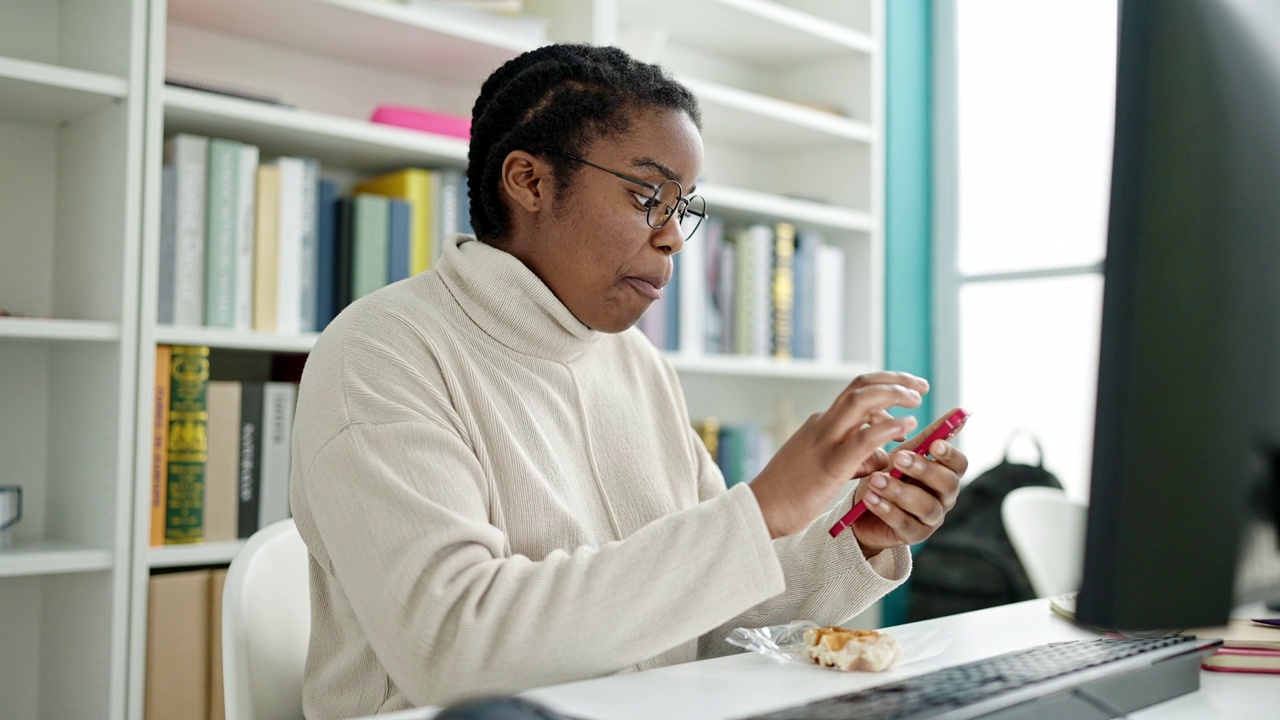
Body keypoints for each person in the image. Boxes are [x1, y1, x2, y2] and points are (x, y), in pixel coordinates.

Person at [290, 43, 969, 718]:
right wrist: (761, 511)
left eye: (683, 207)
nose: (673, 236)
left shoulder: (635, 363)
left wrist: (858, 535)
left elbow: (713, 621)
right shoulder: (381, 351)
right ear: (528, 182)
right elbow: (453, 650)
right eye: (649, 196)